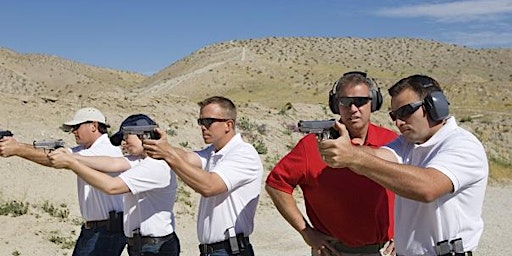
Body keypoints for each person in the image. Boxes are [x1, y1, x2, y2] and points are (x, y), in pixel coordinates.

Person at [318, 74, 488, 256]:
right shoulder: (408, 143)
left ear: (434, 106)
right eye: (394, 115)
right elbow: (376, 156)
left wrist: (352, 156)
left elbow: (427, 188)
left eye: (406, 112)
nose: (398, 122)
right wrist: (344, 147)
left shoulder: (462, 144)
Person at [265, 71, 398, 256]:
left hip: (384, 251)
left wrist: (406, 232)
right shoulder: (312, 145)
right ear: (336, 105)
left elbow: (414, 188)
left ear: (373, 103)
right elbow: (276, 185)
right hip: (334, 251)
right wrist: (307, 232)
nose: (353, 108)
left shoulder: (392, 142)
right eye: (345, 102)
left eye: (361, 101)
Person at [142, 96, 263, 256]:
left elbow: (209, 186)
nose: (203, 127)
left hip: (230, 250)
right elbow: (186, 157)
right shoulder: (213, 152)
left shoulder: (243, 153)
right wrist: (162, 147)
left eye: (208, 122)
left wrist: (168, 154)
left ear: (229, 124)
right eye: (201, 122)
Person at [47, 114, 180, 256]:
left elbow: (111, 186)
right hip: (142, 246)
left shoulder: (155, 166)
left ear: (143, 135)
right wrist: (73, 157)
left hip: (155, 247)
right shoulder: (141, 161)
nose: (123, 143)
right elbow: (112, 162)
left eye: (126, 136)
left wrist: (72, 163)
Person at [0, 107, 126, 256]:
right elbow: (58, 156)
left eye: (77, 127)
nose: (74, 131)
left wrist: (17, 149)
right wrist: (17, 146)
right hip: (96, 229)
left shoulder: (105, 149)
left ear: (93, 126)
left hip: (106, 231)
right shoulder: (87, 150)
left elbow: (59, 159)